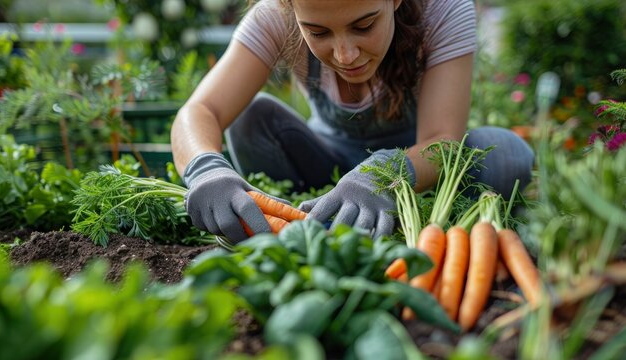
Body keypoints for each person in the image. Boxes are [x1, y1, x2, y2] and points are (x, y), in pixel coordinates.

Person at [171, 0, 534, 244]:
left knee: (506, 155)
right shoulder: (276, 14)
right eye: (318, 33)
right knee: (251, 118)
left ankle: (386, 219)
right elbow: (201, 110)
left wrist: (385, 173)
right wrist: (206, 169)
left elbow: (443, 140)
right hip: (323, 164)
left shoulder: (443, 10)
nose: (345, 55)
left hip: (415, 177)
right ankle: (302, 220)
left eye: (364, 25)